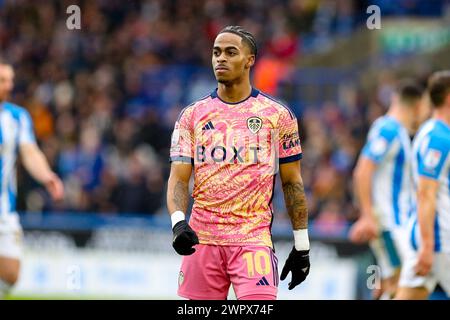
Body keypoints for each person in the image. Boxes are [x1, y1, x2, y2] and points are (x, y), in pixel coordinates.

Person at [166, 26, 310, 300]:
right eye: (216, 52)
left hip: (252, 240)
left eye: (231, 52)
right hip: (203, 240)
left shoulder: (278, 116)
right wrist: (178, 223)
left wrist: (301, 245)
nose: (221, 58)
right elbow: (179, 178)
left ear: (250, 60)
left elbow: (292, 182)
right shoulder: (191, 116)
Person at [349, 79, 427, 299]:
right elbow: (363, 170)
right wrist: (367, 216)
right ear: (418, 106)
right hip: (391, 224)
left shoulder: (395, 130)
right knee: (412, 286)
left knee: (394, 286)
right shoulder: (389, 129)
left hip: (395, 224)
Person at [0, 61, 64, 299]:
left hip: (4, 209)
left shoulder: (17, 117)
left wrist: (46, 175)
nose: (9, 85)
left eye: (11, 80)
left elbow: (29, 151)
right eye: (3, 80)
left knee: (11, 275)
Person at [395, 70, 450, 300]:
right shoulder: (439, 137)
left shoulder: (430, 131)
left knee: (409, 296)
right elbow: (426, 193)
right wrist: (428, 246)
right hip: (440, 239)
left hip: (428, 236)